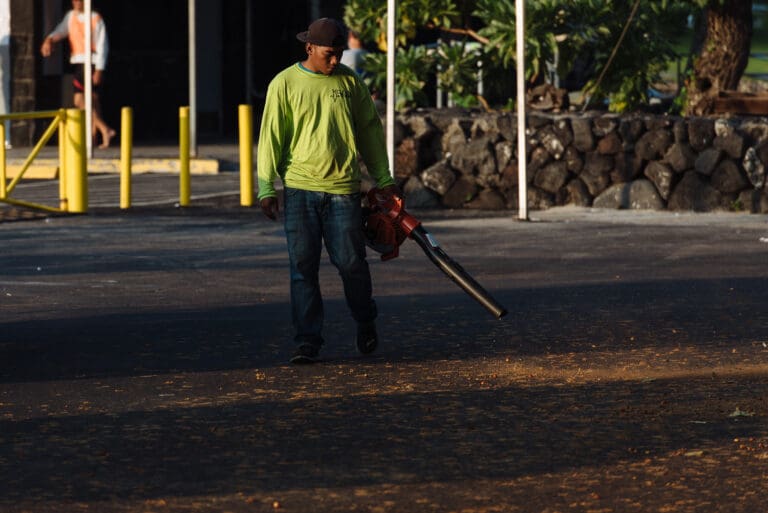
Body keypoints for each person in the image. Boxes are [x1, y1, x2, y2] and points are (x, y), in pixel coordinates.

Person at [257, 17, 400, 364]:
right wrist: (265, 186)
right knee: (303, 267)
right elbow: (271, 136)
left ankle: (365, 319)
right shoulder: (285, 84)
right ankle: (308, 341)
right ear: (309, 48)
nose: (335, 61)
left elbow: (369, 131)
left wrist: (384, 180)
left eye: (339, 54)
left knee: (352, 263)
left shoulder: (350, 83)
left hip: (342, 190)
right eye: (328, 54)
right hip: (299, 189)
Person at [40, 0, 116, 149]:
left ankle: (103, 128)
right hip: (79, 62)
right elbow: (61, 31)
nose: (76, 3)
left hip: (91, 62)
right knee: (93, 101)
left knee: (79, 100)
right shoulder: (71, 16)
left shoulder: (95, 18)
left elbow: (102, 45)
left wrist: (99, 69)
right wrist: (49, 40)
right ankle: (95, 137)